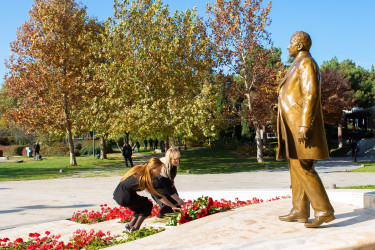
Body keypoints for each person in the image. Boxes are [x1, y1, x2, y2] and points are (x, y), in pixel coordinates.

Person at [277, 31, 334, 228]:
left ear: (300, 45)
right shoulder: (296, 64)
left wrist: (304, 123)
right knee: (295, 166)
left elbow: (311, 94)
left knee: (304, 167)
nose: (287, 47)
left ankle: (324, 210)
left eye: (291, 43)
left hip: (300, 125)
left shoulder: (307, 63)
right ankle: (300, 209)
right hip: (292, 124)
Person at [113, 157, 180, 231]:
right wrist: (172, 206)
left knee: (141, 205)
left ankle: (130, 225)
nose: (160, 172)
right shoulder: (146, 178)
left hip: (117, 194)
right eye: (158, 170)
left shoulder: (140, 169)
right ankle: (135, 228)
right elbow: (159, 197)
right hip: (125, 196)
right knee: (148, 205)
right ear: (152, 169)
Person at [152, 147, 186, 218]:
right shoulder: (164, 169)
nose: (177, 161)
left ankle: (175, 215)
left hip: (163, 184)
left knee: (175, 202)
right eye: (175, 159)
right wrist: (178, 199)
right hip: (155, 186)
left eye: (178, 158)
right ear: (169, 159)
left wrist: (177, 198)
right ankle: (159, 218)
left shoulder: (173, 165)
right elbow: (168, 188)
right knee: (167, 204)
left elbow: (171, 183)